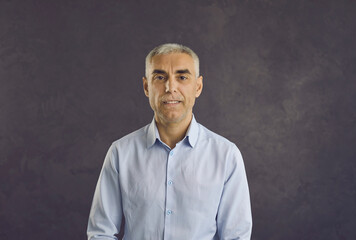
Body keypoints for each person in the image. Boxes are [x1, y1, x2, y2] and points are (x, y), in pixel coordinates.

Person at [87, 43, 252, 240]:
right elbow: (101, 233)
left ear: (198, 87)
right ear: (147, 86)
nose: (170, 87)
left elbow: (236, 237)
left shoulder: (226, 155)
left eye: (182, 77)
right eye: (160, 77)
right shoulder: (120, 152)